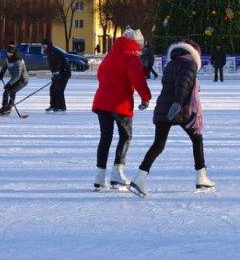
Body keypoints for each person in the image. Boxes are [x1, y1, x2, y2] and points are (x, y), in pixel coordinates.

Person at [130, 39, 215, 197]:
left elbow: (171, 84)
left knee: (158, 144)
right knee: (197, 138)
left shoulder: (171, 63)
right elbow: (182, 85)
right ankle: (201, 176)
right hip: (179, 108)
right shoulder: (189, 64)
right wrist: (177, 103)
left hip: (163, 107)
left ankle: (139, 177)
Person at [92, 29, 151, 190]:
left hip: (102, 101)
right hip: (119, 103)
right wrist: (146, 97)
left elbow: (100, 74)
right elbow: (137, 79)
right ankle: (117, 171)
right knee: (125, 136)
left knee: (105, 137)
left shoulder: (110, 55)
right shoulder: (131, 57)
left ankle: (100, 175)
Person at [0, 46, 28, 116]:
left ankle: (9, 108)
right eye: (8, 53)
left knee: (12, 90)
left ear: (14, 53)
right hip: (15, 79)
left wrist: (9, 84)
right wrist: (1, 73)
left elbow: (17, 75)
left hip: (22, 80)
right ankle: (4, 107)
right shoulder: (8, 59)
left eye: (10, 53)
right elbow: (5, 66)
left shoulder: (18, 61)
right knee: (6, 91)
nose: (9, 54)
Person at [42, 38, 71, 113]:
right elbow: (52, 65)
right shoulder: (49, 51)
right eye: (43, 45)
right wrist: (54, 74)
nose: (43, 47)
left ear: (48, 45)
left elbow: (57, 64)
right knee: (53, 89)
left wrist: (57, 73)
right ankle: (53, 106)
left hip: (64, 73)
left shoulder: (53, 52)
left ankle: (62, 107)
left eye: (44, 45)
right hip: (58, 73)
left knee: (59, 89)